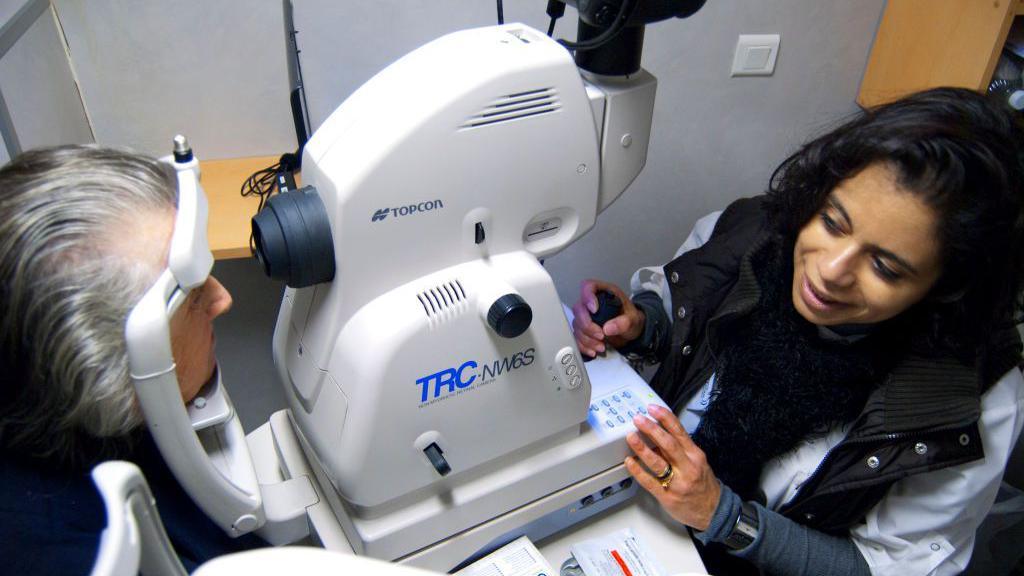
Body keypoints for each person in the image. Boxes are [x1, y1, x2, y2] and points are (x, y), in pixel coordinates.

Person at [572, 87, 1024, 575]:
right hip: (638, 512)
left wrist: (723, 517)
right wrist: (642, 326)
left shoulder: (968, 408)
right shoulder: (755, 231)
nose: (829, 271)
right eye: (832, 222)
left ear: (947, 288)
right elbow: (687, 327)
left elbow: (886, 568)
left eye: (886, 268)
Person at [0, 145, 263, 573]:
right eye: (193, 295)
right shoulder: (76, 554)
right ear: (104, 367)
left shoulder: (90, 417)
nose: (223, 299)